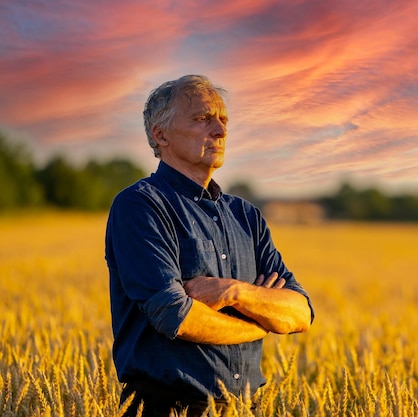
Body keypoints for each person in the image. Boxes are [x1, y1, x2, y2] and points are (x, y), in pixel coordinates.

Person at [105, 74, 314, 416]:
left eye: (223, 119)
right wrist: (261, 323)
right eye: (202, 119)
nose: (220, 130)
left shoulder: (246, 215)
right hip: (167, 406)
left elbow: (301, 312)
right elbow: (176, 316)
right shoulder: (141, 205)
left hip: (247, 407)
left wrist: (235, 293)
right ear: (161, 135)